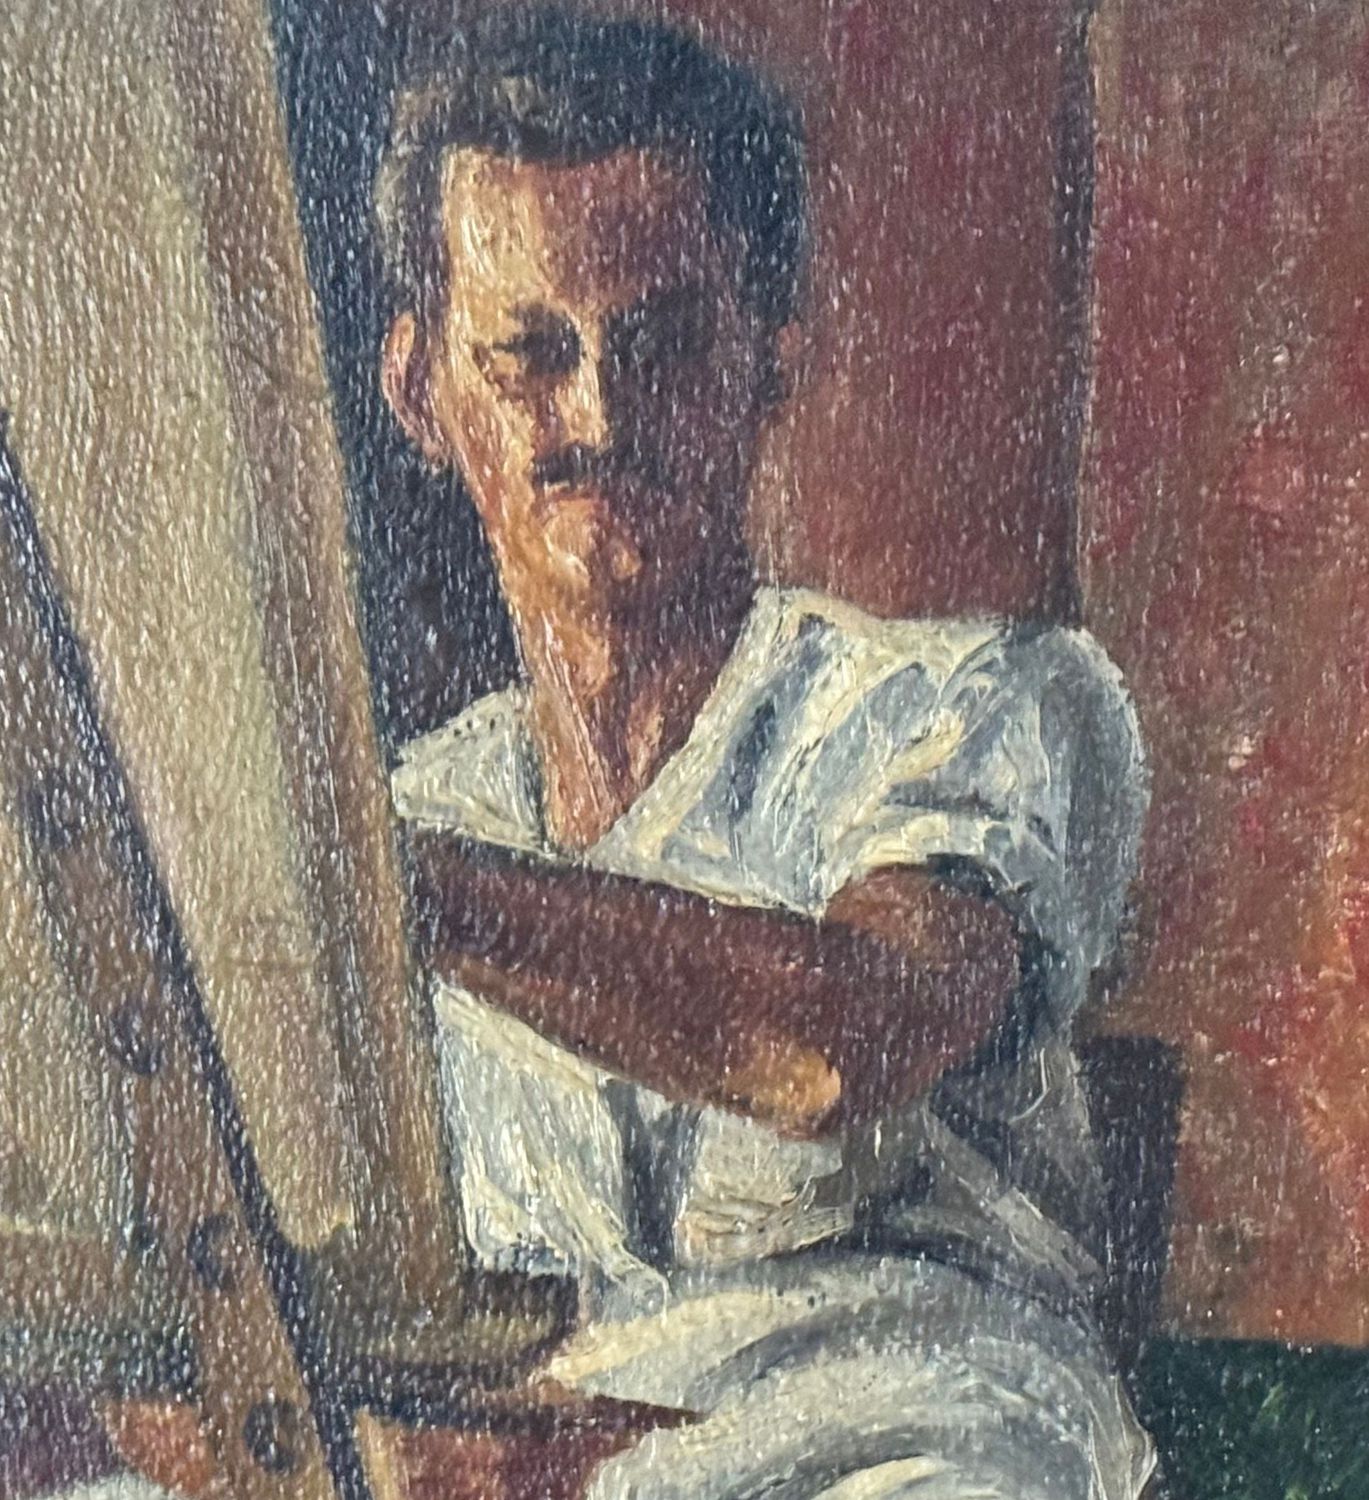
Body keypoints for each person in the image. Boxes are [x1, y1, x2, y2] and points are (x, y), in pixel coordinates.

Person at [379, 8, 1157, 1499]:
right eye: (528, 355)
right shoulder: (427, 802)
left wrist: (388, 892)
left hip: (905, 1446)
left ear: (769, 361)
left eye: (664, 344)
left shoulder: (979, 704)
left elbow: (835, 1044)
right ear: (423, 393)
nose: (598, 417)